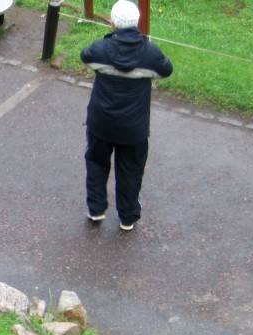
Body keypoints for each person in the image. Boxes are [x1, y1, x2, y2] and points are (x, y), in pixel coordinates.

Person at [81, 0, 172, 231]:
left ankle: (95, 209)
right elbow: (166, 69)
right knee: (130, 169)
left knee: (96, 162)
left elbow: (85, 55)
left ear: (113, 24)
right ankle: (128, 217)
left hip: (101, 122)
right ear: (138, 23)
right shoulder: (150, 54)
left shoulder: (101, 50)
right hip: (134, 127)